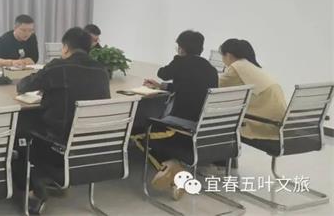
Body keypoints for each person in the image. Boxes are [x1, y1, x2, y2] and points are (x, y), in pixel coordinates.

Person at [15, 27, 110, 214]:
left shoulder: (58, 66)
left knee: (20, 131)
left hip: (58, 143)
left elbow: (23, 86)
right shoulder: (102, 70)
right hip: (93, 142)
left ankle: (35, 190)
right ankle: (53, 179)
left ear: (65, 47)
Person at [131, 30, 218, 200]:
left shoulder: (181, 62)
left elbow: (162, 73)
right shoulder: (210, 69)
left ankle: (174, 170)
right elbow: (189, 88)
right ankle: (173, 163)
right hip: (200, 125)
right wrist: (161, 86)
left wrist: (178, 58)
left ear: (181, 48)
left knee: (137, 133)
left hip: (180, 124)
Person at [218, 39, 286, 143]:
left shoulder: (237, 67)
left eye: (222, 56)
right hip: (279, 123)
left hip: (266, 125)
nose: (223, 60)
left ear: (228, 55)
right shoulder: (251, 66)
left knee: (216, 123)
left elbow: (214, 84)